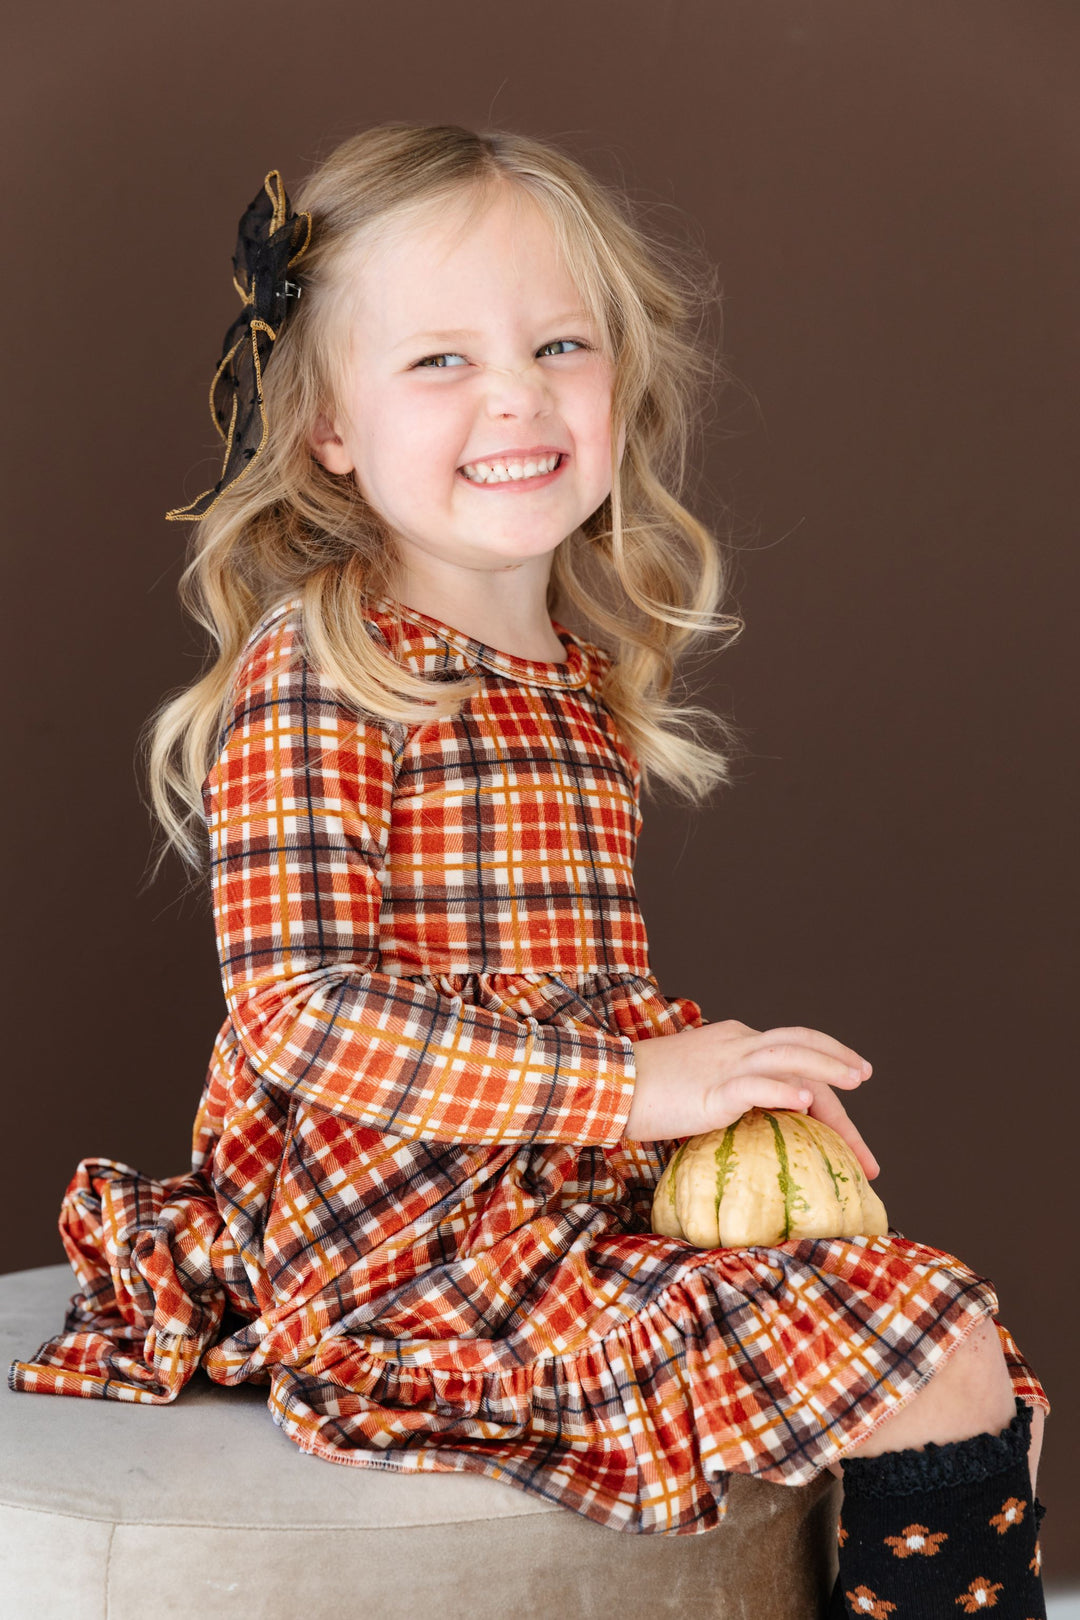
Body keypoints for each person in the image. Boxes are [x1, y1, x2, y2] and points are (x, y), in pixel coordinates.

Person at [10, 124, 1049, 1615]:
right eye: (439, 361)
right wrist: (637, 1091)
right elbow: (299, 1013)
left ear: (621, 379)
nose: (517, 394)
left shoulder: (568, 673)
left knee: (964, 1347)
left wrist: (716, 1104)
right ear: (328, 428)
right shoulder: (327, 667)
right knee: (930, 1349)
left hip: (553, 1201)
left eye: (561, 342)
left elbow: (567, 996)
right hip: (412, 1249)